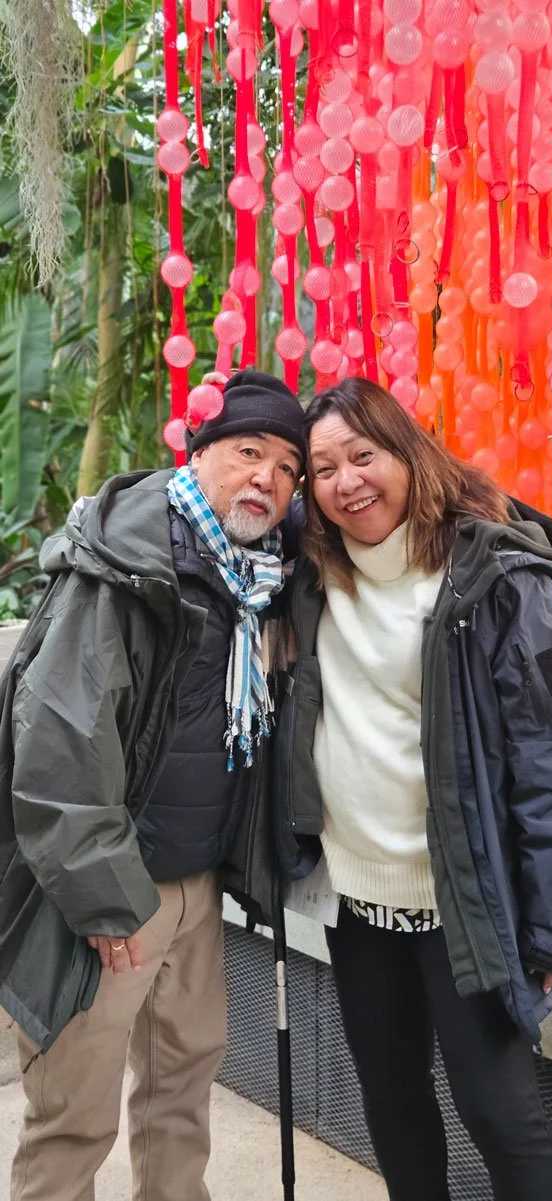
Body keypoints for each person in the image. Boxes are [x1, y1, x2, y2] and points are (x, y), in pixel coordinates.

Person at [274, 376, 552, 1201]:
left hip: (461, 907)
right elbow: (219, 495)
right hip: (359, 908)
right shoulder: (311, 572)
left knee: (501, 1116)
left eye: (363, 454)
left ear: (408, 451)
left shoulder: (491, 573)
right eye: (323, 468)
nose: (347, 481)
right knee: (392, 1108)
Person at [0, 369, 305, 1201]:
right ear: (199, 452)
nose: (266, 480)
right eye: (248, 452)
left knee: (182, 1093)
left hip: (198, 884)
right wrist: (106, 899)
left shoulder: (261, 577)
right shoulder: (126, 567)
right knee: (75, 1117)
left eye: (286, 467)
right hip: (112, 890)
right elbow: (58, 744)